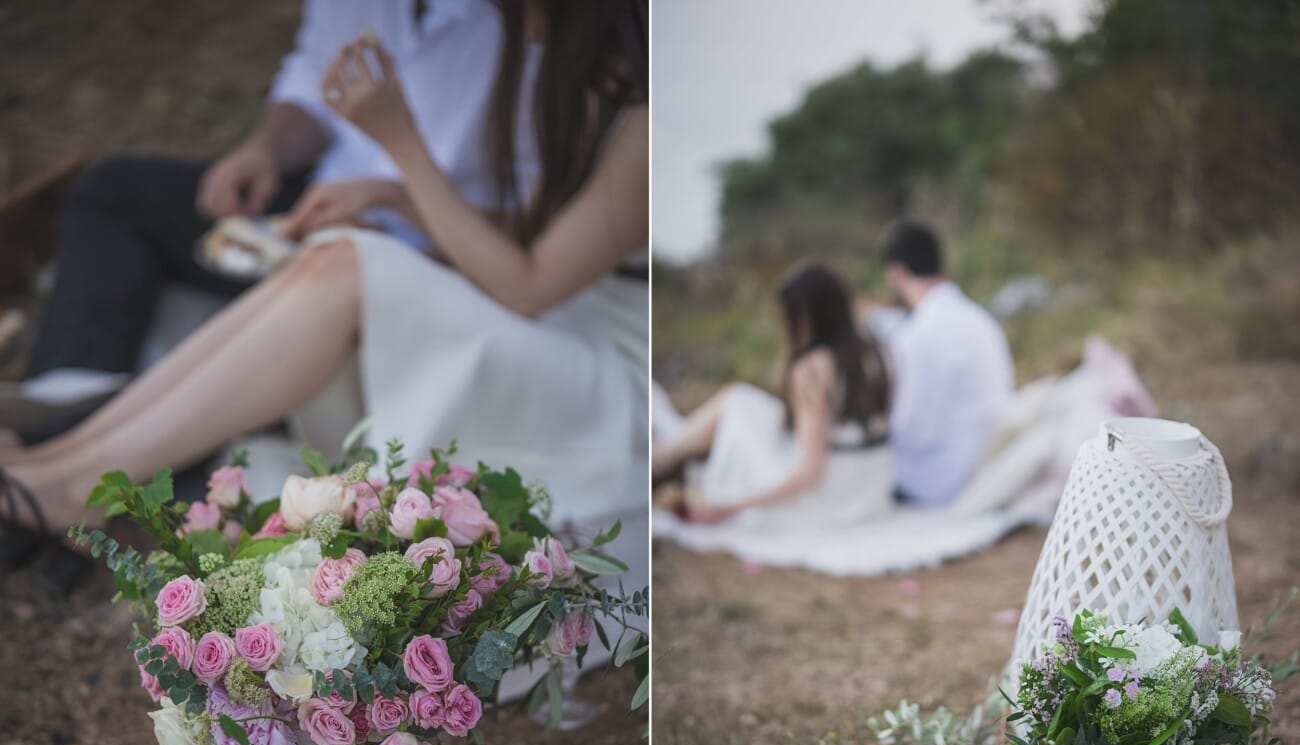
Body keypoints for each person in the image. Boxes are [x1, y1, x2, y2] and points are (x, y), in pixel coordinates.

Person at [0, 1, 648, 546]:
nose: (507, 17)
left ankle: (72, 485)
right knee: (328, 252)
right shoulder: (580, 74)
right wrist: (389, 193)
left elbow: (530, 283)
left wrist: (401, 145)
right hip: (501, 282)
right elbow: (526, 232)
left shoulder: (638, 113)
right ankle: (58, 461)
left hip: (586, 361)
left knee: (346, 264)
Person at [652, 262, 891, 526]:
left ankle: (660, 459)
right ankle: (666, 453)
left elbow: (809, 474)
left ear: (806, 319)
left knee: (736, 402)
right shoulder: (875, 350)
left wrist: (731, 508)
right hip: (870, 492)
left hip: (830, 501)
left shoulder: (812, 369)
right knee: (747, 405)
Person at [882, 220, 1013, 506]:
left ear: (897, 272)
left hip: (940, 480)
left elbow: (914, 430)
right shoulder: (981, 320)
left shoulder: (915, 335)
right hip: (992, 458)